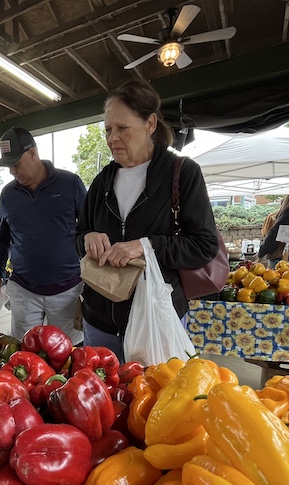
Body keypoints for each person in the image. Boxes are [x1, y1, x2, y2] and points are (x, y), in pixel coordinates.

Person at [76, 80, 219, 362]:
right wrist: (86, 238)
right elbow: (78, 235)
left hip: (157, 319)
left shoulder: (183, 173)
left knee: (154, 400)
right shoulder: (102, 180)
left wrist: (145, 246)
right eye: (108, 129)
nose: (112, 138)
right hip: (100, 320)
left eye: (122, 128)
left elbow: (204, 245)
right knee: (102, 400)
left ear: (150, 123)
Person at [0, 127, 86, 343]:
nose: (13, 171)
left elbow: (91, 228)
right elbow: (2, 239)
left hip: (68, 288)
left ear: (32, 153)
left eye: (16, 164)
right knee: (25, 349)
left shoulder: (70, 183)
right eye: (9, 167)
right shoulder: (8, 194)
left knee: (69, 351)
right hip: (24, 290)